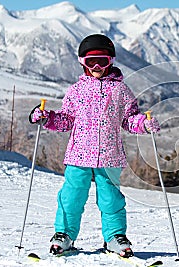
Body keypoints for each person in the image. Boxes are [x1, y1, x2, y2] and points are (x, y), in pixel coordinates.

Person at [29, 34, 160, 258]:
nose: (97, 66)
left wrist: (144, 124)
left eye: (103, 61)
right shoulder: (76, 91)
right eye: (91, 62)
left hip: (109, 155)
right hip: (79, 154)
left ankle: (114, 237)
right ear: (82, 63)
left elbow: (129, 119)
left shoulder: (121, 91)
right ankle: (64, 235)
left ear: (111, 61)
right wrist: (46, 118)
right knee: (71, 196)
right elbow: (66, 119)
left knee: (111, 198)